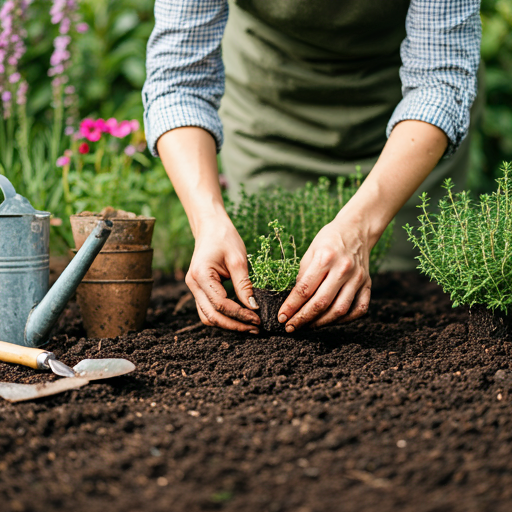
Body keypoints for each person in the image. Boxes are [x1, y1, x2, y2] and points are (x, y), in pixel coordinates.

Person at [143, 0, 482, 335]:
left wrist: (361, 228)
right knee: (269, 271)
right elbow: (178, 81)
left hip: (406, 125)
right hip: (270, 106)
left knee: (410, 288)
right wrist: (207, 220)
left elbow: (440, 82)